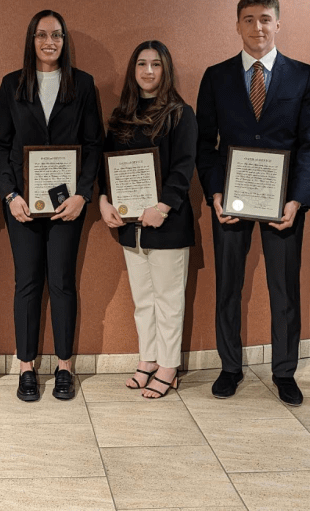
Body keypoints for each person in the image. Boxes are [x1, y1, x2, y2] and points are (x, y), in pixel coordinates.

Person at [195, 0, 310, 406]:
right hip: (230, 201)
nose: (257, 28)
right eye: (248, 20)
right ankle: (230, 368)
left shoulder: (303, 76)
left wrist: (298, 200)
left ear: (278, 24)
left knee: (284, 288)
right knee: (228, 285)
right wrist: (215, 191)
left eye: (265, 19)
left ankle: (284, 371)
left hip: (282, 204)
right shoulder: (216, 76)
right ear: (237, 26)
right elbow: (204, 143)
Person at [0, 9, 103, 402]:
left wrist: (83, 195)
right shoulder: (11, 85)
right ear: (31, 40)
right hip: (22, 203)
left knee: (61, 282)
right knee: (27, 282)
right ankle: (26, 366)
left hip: (68, 205)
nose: (49, 42)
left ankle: (64, 367)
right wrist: (10, 195)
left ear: (64, 40)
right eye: (41, 35)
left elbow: (93, 145)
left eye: (56, 35)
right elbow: (1, 145)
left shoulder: (83, 84)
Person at [99, 41, 197, 399]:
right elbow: (106, 165)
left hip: (167, 224)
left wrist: (163, 207)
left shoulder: (180, 114)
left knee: (168, 299)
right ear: (133, 70)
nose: (149, 71)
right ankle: (149, 359)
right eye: (142, 64)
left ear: (165, 70)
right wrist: (105, 199)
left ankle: (169, 366)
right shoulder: (121, 115)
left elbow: (185, 167)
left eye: (156, 64)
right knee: (143, 299)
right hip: (130, 227)